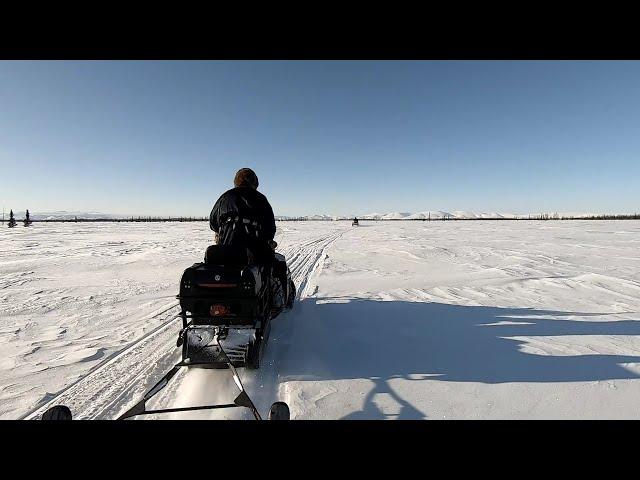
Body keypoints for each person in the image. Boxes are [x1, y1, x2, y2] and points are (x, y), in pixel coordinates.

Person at [209, 168, 286, 303]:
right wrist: (268, 240)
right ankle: (276, 299)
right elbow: (270, 228)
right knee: (276, 266)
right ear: (254, 182)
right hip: (255, 252)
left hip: (225, 252)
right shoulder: (260, 198)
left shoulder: (224, 197)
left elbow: (213, 223)